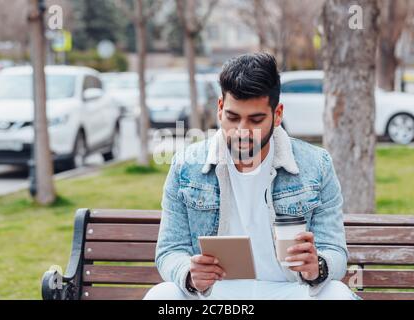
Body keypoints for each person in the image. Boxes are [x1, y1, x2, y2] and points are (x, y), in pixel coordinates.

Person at [144, 53, 360, 300]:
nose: (241, 131)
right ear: (220, 108)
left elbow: (335, 252)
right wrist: (189, 275)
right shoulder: (186, 166)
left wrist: (317, 267)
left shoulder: (316, 165)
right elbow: (169, 251)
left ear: (277, 114)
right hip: (215, 295)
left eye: (255, 120)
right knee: (161, 296)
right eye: (233, 117)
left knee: (337, 294)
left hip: (290, 292)